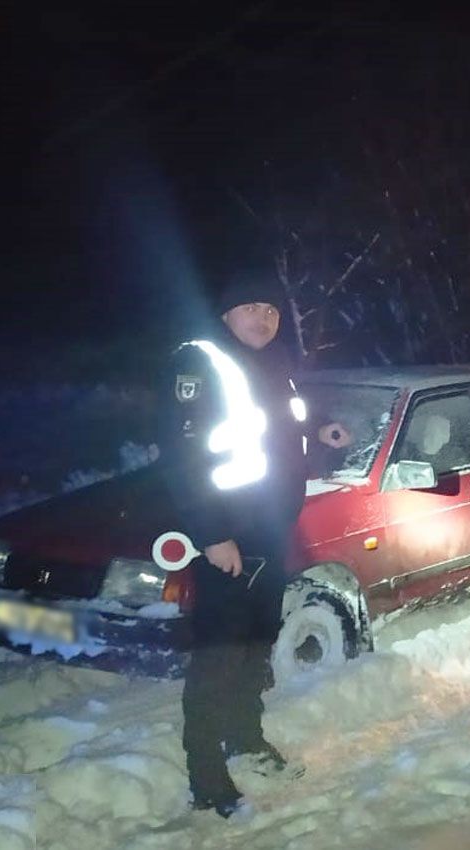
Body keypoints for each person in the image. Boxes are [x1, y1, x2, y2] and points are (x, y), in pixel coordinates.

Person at [159, 269, 311, 818]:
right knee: (219, 654)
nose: (263, 318)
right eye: (251, 308)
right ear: (226, 315)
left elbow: (281, 436)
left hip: (270, 530)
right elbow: (182, 459)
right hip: (228, 539)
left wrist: (325, 434)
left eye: (270, 310)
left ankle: (246, 737)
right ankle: (207, 778)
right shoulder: (199, 364)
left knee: (254, 644)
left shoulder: (274, 363)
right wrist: (211, 535)